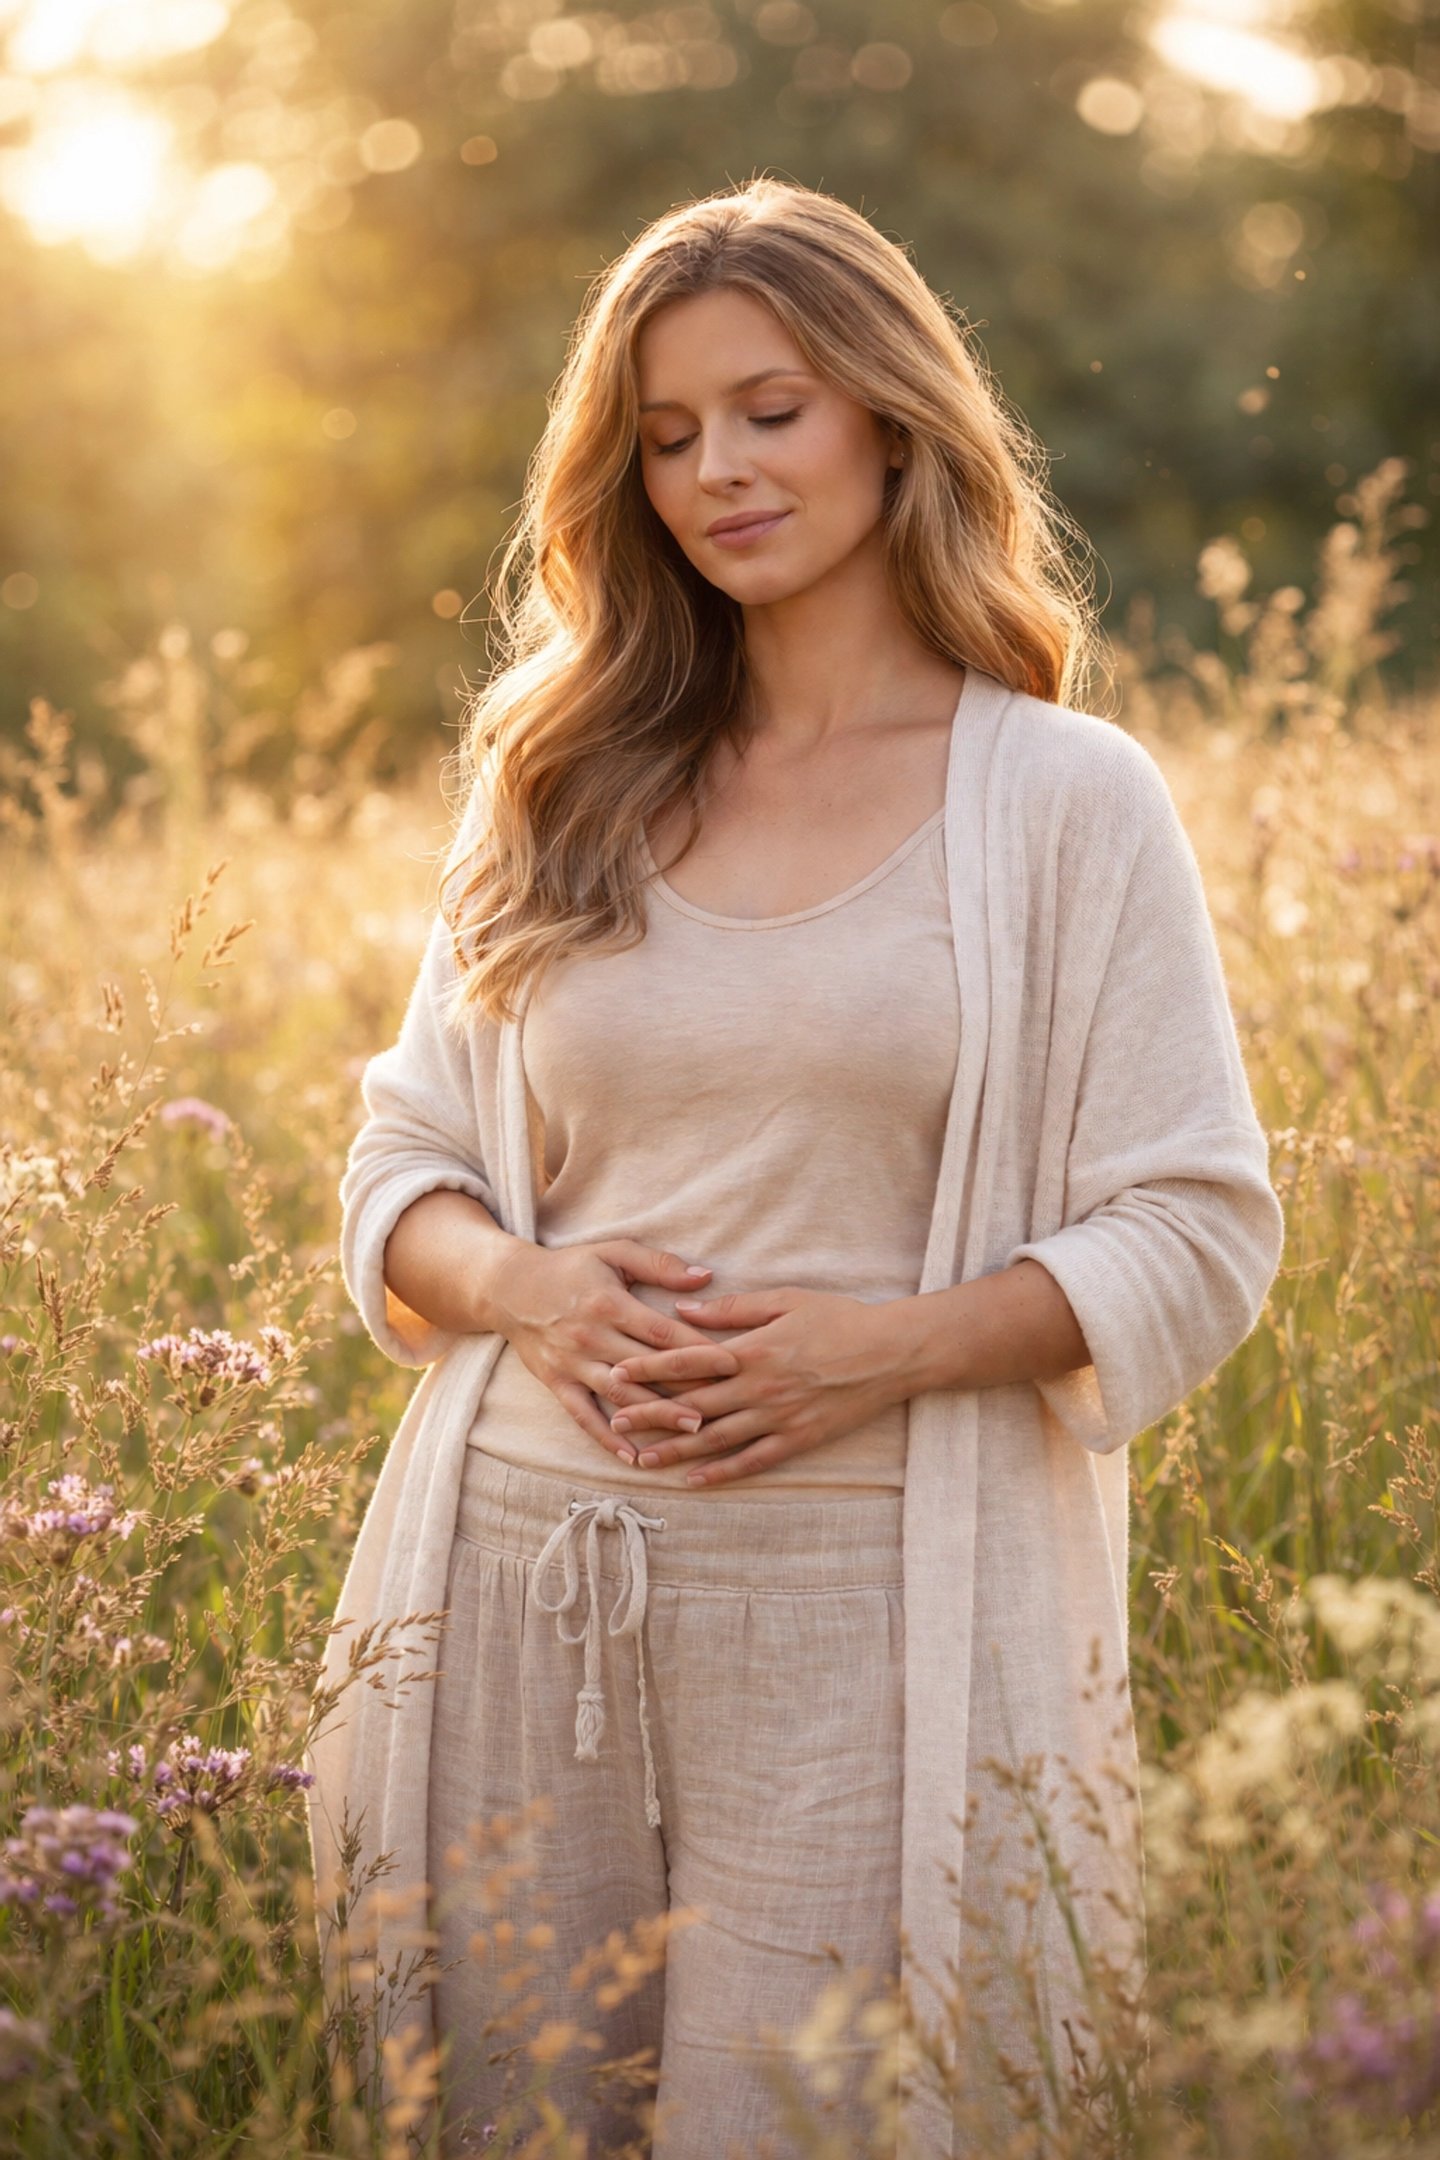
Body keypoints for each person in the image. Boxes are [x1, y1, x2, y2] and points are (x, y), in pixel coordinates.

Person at [306, 177, 1285, 2160]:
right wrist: (530, 1290)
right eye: (664, 436)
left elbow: (1195, 1223)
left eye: (770, 409)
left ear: (891, 417)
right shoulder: (559, 776)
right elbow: (402, 1163)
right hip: (516, 1584)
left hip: (871, 1614)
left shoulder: (1065, 801)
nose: (715, 470)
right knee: (504, 2125)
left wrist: (876, 1350)